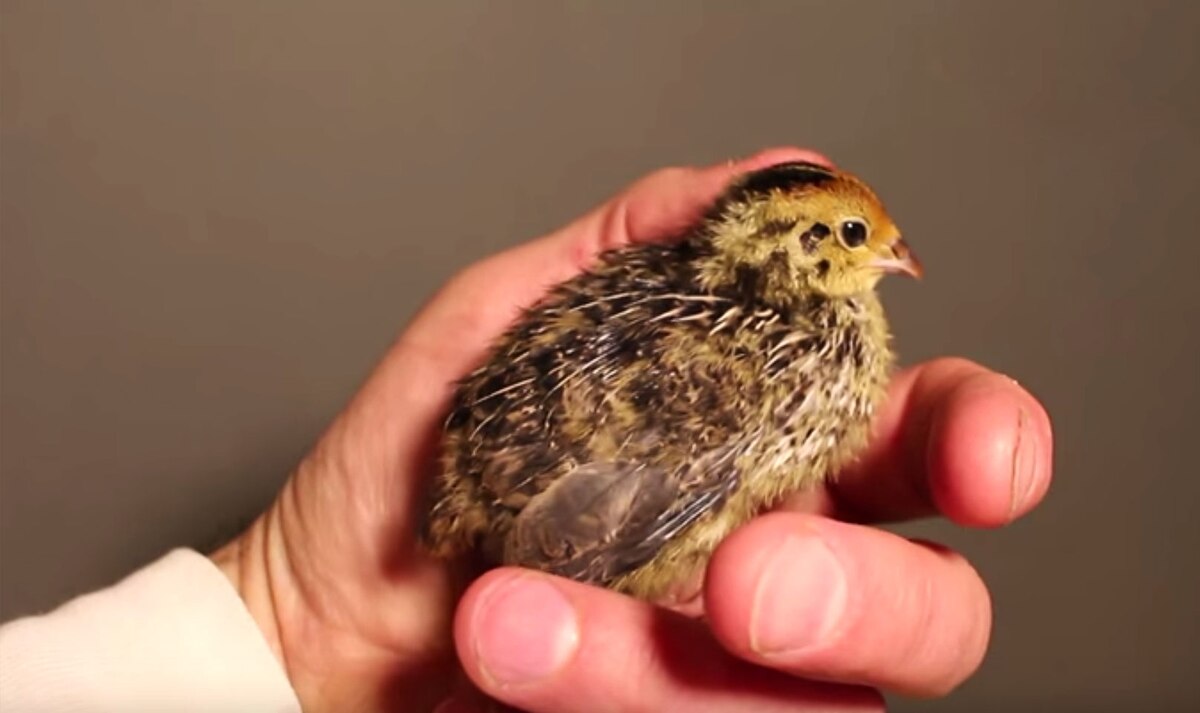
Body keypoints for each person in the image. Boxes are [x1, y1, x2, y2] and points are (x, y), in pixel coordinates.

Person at [0, 147, 1053, 713]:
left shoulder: (710, 313)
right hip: (556, 511)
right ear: (806, 250)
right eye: (865, 237)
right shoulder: (792, 354)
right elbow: (625, 494)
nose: (893, 250)